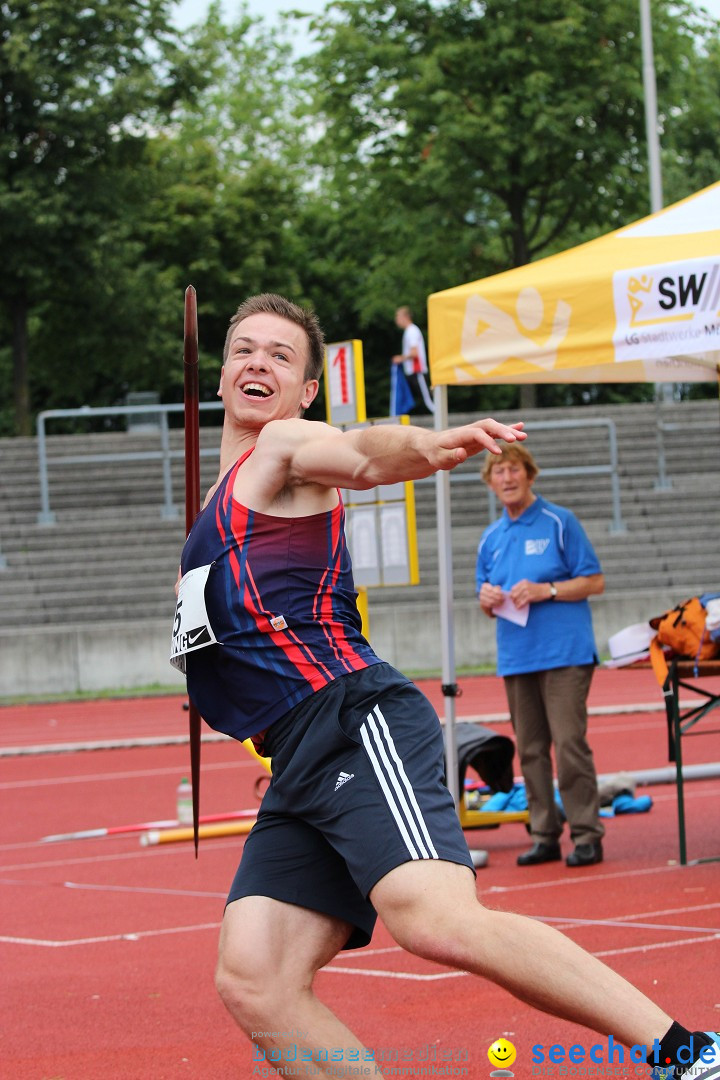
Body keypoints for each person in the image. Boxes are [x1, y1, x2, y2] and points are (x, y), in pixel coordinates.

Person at [175, 293, 717, 1080]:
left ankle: (688, 1053)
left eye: (281, 356)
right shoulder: (213, 505)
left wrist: (433, 444)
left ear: (306, 391)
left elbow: (364, 455)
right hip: (297, 756)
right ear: (221, 372)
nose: (258, 363)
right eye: (244, 350)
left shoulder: (285, 447)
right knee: (255, 976)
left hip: (357, 720)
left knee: (434, 920)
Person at [476, 444, 606, 868]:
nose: (508, 478)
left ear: (529, 475)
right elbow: (483, 595)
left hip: (564, 653)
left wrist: (546, 590)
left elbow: (594, 581)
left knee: (569, 743)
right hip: (517, 655)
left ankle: (586, 834)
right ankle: (544, 833)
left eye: (514, 470)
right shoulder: (490, 539)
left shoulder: (558, 521)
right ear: (491, 481)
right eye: (500, 472)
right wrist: (487, 596)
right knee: (530, 749)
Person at [391, 305, 435, 414]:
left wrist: (400, 358)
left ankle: (442, 419)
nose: (396, 320)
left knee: (428, 401)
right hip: (413, 372)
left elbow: (414, 353)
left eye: (398, 316)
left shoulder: (411, 331)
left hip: (417, 371)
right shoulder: (409, 331)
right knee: (424, 399)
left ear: (405, 317)